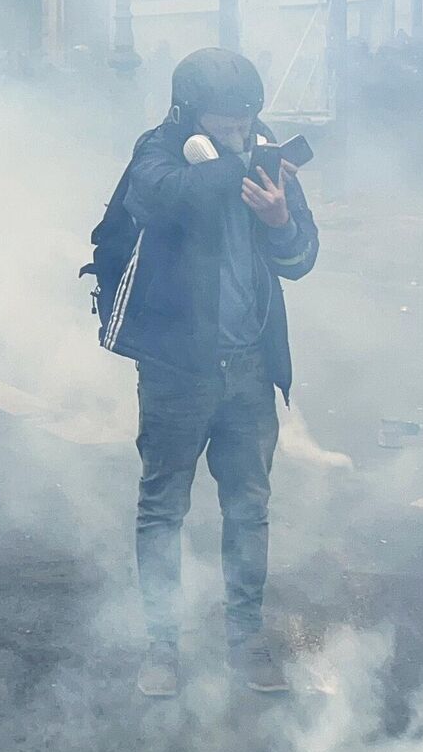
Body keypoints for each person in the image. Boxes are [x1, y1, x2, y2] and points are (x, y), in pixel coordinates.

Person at [96, 48, 320, 698]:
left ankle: (245, 640)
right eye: (226, 119)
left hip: (250, 367)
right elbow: (162, 197)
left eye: (248, 116)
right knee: (163, 507)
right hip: (176, 371)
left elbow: (302, 256)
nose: (240, 128)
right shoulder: (160, 152)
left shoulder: (265, 155)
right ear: (190, 114)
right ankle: (161, 647)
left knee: (248, 509)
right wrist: (234, 166)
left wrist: (279, 221)